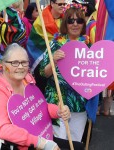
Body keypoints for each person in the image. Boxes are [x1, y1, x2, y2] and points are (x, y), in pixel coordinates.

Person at [0, 43, 84, 150]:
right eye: (14, 63)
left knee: (78, 147)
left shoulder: (27, 80)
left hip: (41, 134)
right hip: (22, 144)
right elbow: (4, 130)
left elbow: (40, 106)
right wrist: (41, 143)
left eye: (24, 62)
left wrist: (58, 111)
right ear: (2, 64)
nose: (20, 67)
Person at [40, 5, 92, 142]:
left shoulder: (89, 46)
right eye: (70, 20)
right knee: (59, 142)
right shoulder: (55, 44)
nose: (75, 24)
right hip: (58, 102)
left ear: (83, 23)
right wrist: (54, 62)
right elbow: (42, 72)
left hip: (79, 104)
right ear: (65, 23)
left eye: (79, 20)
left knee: (75, 142)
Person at [27, 0, 66, 94]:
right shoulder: (41, 21)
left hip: (59, 60)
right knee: (43, 90)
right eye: (60, 4)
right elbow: (35, 42)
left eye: (64, 4)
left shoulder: (65, 20)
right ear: (52, 4)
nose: (62, 6)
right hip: (42, 60)